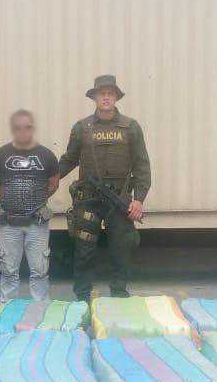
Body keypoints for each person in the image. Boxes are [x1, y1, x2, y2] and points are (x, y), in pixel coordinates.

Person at [58, 75, 151, 302]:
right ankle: (82, 297)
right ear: (95, 97)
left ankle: (119, 294)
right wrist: (47, 180)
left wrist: (138, 199)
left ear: (116, 97)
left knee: (121, 249)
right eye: (102, 93)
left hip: (119, 200)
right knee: (84, 250)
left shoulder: (130, 127)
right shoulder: (82, 128)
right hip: (88, 199)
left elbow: (142, 165)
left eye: (110, 93)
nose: (106, 97)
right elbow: (69, 160)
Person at [0, 109, 60, 303]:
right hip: (8, 224)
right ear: (12, 130)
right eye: (18, 128)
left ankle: (40, 309)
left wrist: (36, 199)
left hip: (37, 223)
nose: (23, 131)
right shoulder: (0, 155)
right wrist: (9, 198)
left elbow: (54, 182)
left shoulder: (46, 155)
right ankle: (7, 308)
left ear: (33, 128)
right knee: (8, 271)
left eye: (27, 127)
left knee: (40, 271)